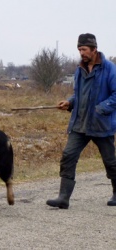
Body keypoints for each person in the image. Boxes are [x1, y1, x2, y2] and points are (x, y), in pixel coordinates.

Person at [46, 33, 116, 209]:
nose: (81, 53)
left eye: (84, 49)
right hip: (80, 123)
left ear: (94, 49)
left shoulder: (109, 69)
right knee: (68, 156)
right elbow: (79, 95)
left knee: (110, 161)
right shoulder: (79, 69)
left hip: (101, 124)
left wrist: (101, 108)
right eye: (79, 49)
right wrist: (70, 102)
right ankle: (63, 197)